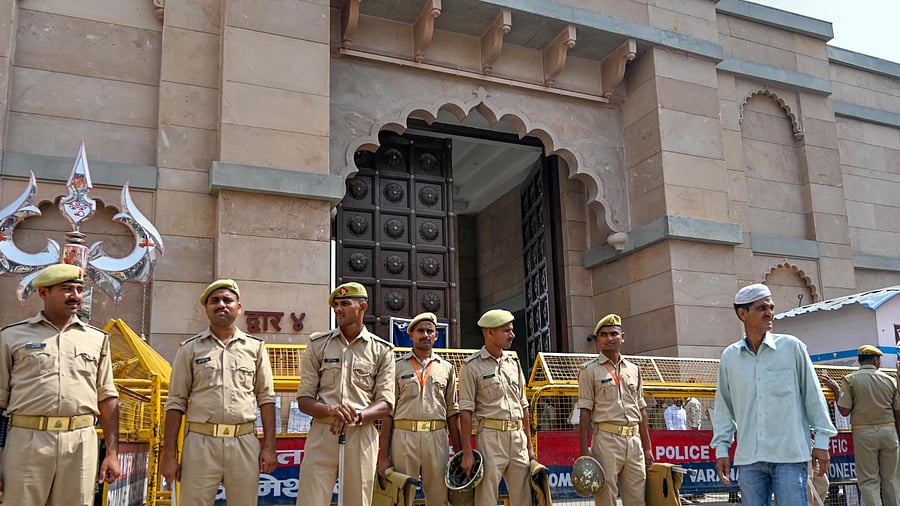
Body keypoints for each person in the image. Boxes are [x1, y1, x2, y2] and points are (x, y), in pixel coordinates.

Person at [0, 263, 120, 505]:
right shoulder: (11, 337)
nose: (75, 296)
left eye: (79, 289)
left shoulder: (97, 339)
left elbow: (107, 397)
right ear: (43, 292)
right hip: (27, 441)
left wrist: (112, 453)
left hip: (80, 442)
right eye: (67, 289)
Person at [711, 283, 837, 506]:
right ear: (743, 314)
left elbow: (813, 396)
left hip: (789, 455)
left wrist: (822, 441)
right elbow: (724, 407)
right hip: (749, 458)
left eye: (771, 307)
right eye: (761, 308)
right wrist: (721, 449)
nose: (769, 313)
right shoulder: (730, 357)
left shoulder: (792, 348)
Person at [161, 279, 277, 505]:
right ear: (206, 308)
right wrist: (169, 454)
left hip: (244, 441)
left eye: (227, 300)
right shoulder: (190, 349)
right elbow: (176, 402)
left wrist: (270, 447)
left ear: (238, 307)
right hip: (201, 443)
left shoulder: (255, 348)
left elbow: (266, 398)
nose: (221, 304)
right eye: (214, 301)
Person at [296, 282, 395, 506]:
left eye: (344, 304)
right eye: (336, 305)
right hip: (323, 432)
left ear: (362, 307)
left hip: (361, 434)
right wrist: (333, 410)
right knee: (310, 500)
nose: (338, 309)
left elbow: (386, 403)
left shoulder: (381, 350)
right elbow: (304, 400)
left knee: (357, 501)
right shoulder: (318, 344)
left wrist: (357, 415)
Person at [378, 312, 462, 505]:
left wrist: (459, 454)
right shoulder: (397, 367)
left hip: (437, 438)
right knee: (401, 496)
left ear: (436, 335)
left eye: (430, 331)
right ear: (411, 335)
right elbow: (388, 413)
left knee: (439, 496)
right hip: (404, 438)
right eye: (420, 331)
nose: (425, 335)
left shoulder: (447, 368)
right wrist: (384, 456)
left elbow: (452, 411)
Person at [459, 309, 535, 506]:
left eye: (511, 330)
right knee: (486, 497)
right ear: (490, 332)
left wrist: (529, 445)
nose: (512, 335)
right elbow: (465, 411)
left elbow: (523, 405)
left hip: (518, 438)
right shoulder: (471, 366)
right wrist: (467, 452)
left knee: (524, 498)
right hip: (491, 438)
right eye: (506, 330)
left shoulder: (514, 363)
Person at [576, 313, 654, 506]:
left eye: (613, 333)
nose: (609, 338)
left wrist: (647, 448)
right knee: (606, 496)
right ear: (598, 339)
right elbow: (585, 410)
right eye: (603, 335)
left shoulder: (634, 369)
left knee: (637, 498)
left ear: (622, 337)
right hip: (606, 440)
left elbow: (641, 409)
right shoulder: (589, 370)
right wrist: (584, 450)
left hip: (634, 441)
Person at [834, 345, 900, 506]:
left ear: (859, 361)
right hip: (889, 432)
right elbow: (898, 412)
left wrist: (836, 391)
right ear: (876, 360)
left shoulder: (850, 380)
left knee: (869, 480)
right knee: (892, 479)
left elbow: (844, 410)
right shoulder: (890, 380)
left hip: (864, 434)